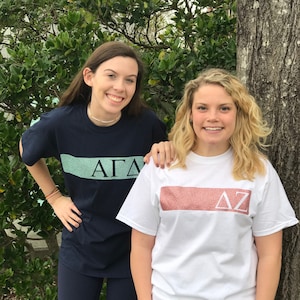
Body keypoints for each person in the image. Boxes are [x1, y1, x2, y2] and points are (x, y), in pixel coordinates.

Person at [117, 68, 299, 300]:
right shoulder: (160, 167)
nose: (213, 117)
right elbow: (141, 248)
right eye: (202, 108)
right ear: (190, 114)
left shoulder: (258, 171)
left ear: (238, 114)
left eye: (224, 108)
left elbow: (270, 254)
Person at [19, 41, 169, 300]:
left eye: (130, 80)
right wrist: (54, 197)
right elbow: (26, 148)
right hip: (82, 245)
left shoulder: (147, 124)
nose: (120, 87)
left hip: (133, 248)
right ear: (89, 76)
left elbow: (165, 169)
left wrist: (168, 151)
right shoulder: (61, 123)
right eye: (111, 76)